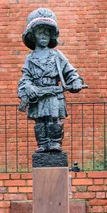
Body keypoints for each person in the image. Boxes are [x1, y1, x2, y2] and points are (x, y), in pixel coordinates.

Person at [17, 8, 85, 153]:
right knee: (40, 121)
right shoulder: (30, 58)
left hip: (54, 94)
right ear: (33, 35)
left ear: (52, 35)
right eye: (40, 32)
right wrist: (28, 88)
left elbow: (70, 71)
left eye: (47, 32)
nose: (44, 36)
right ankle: (42, 143)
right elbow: (25, 78)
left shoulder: (57, 55)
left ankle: (55, 143)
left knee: (54, 120)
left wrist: (75, 81)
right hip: (38, 96)